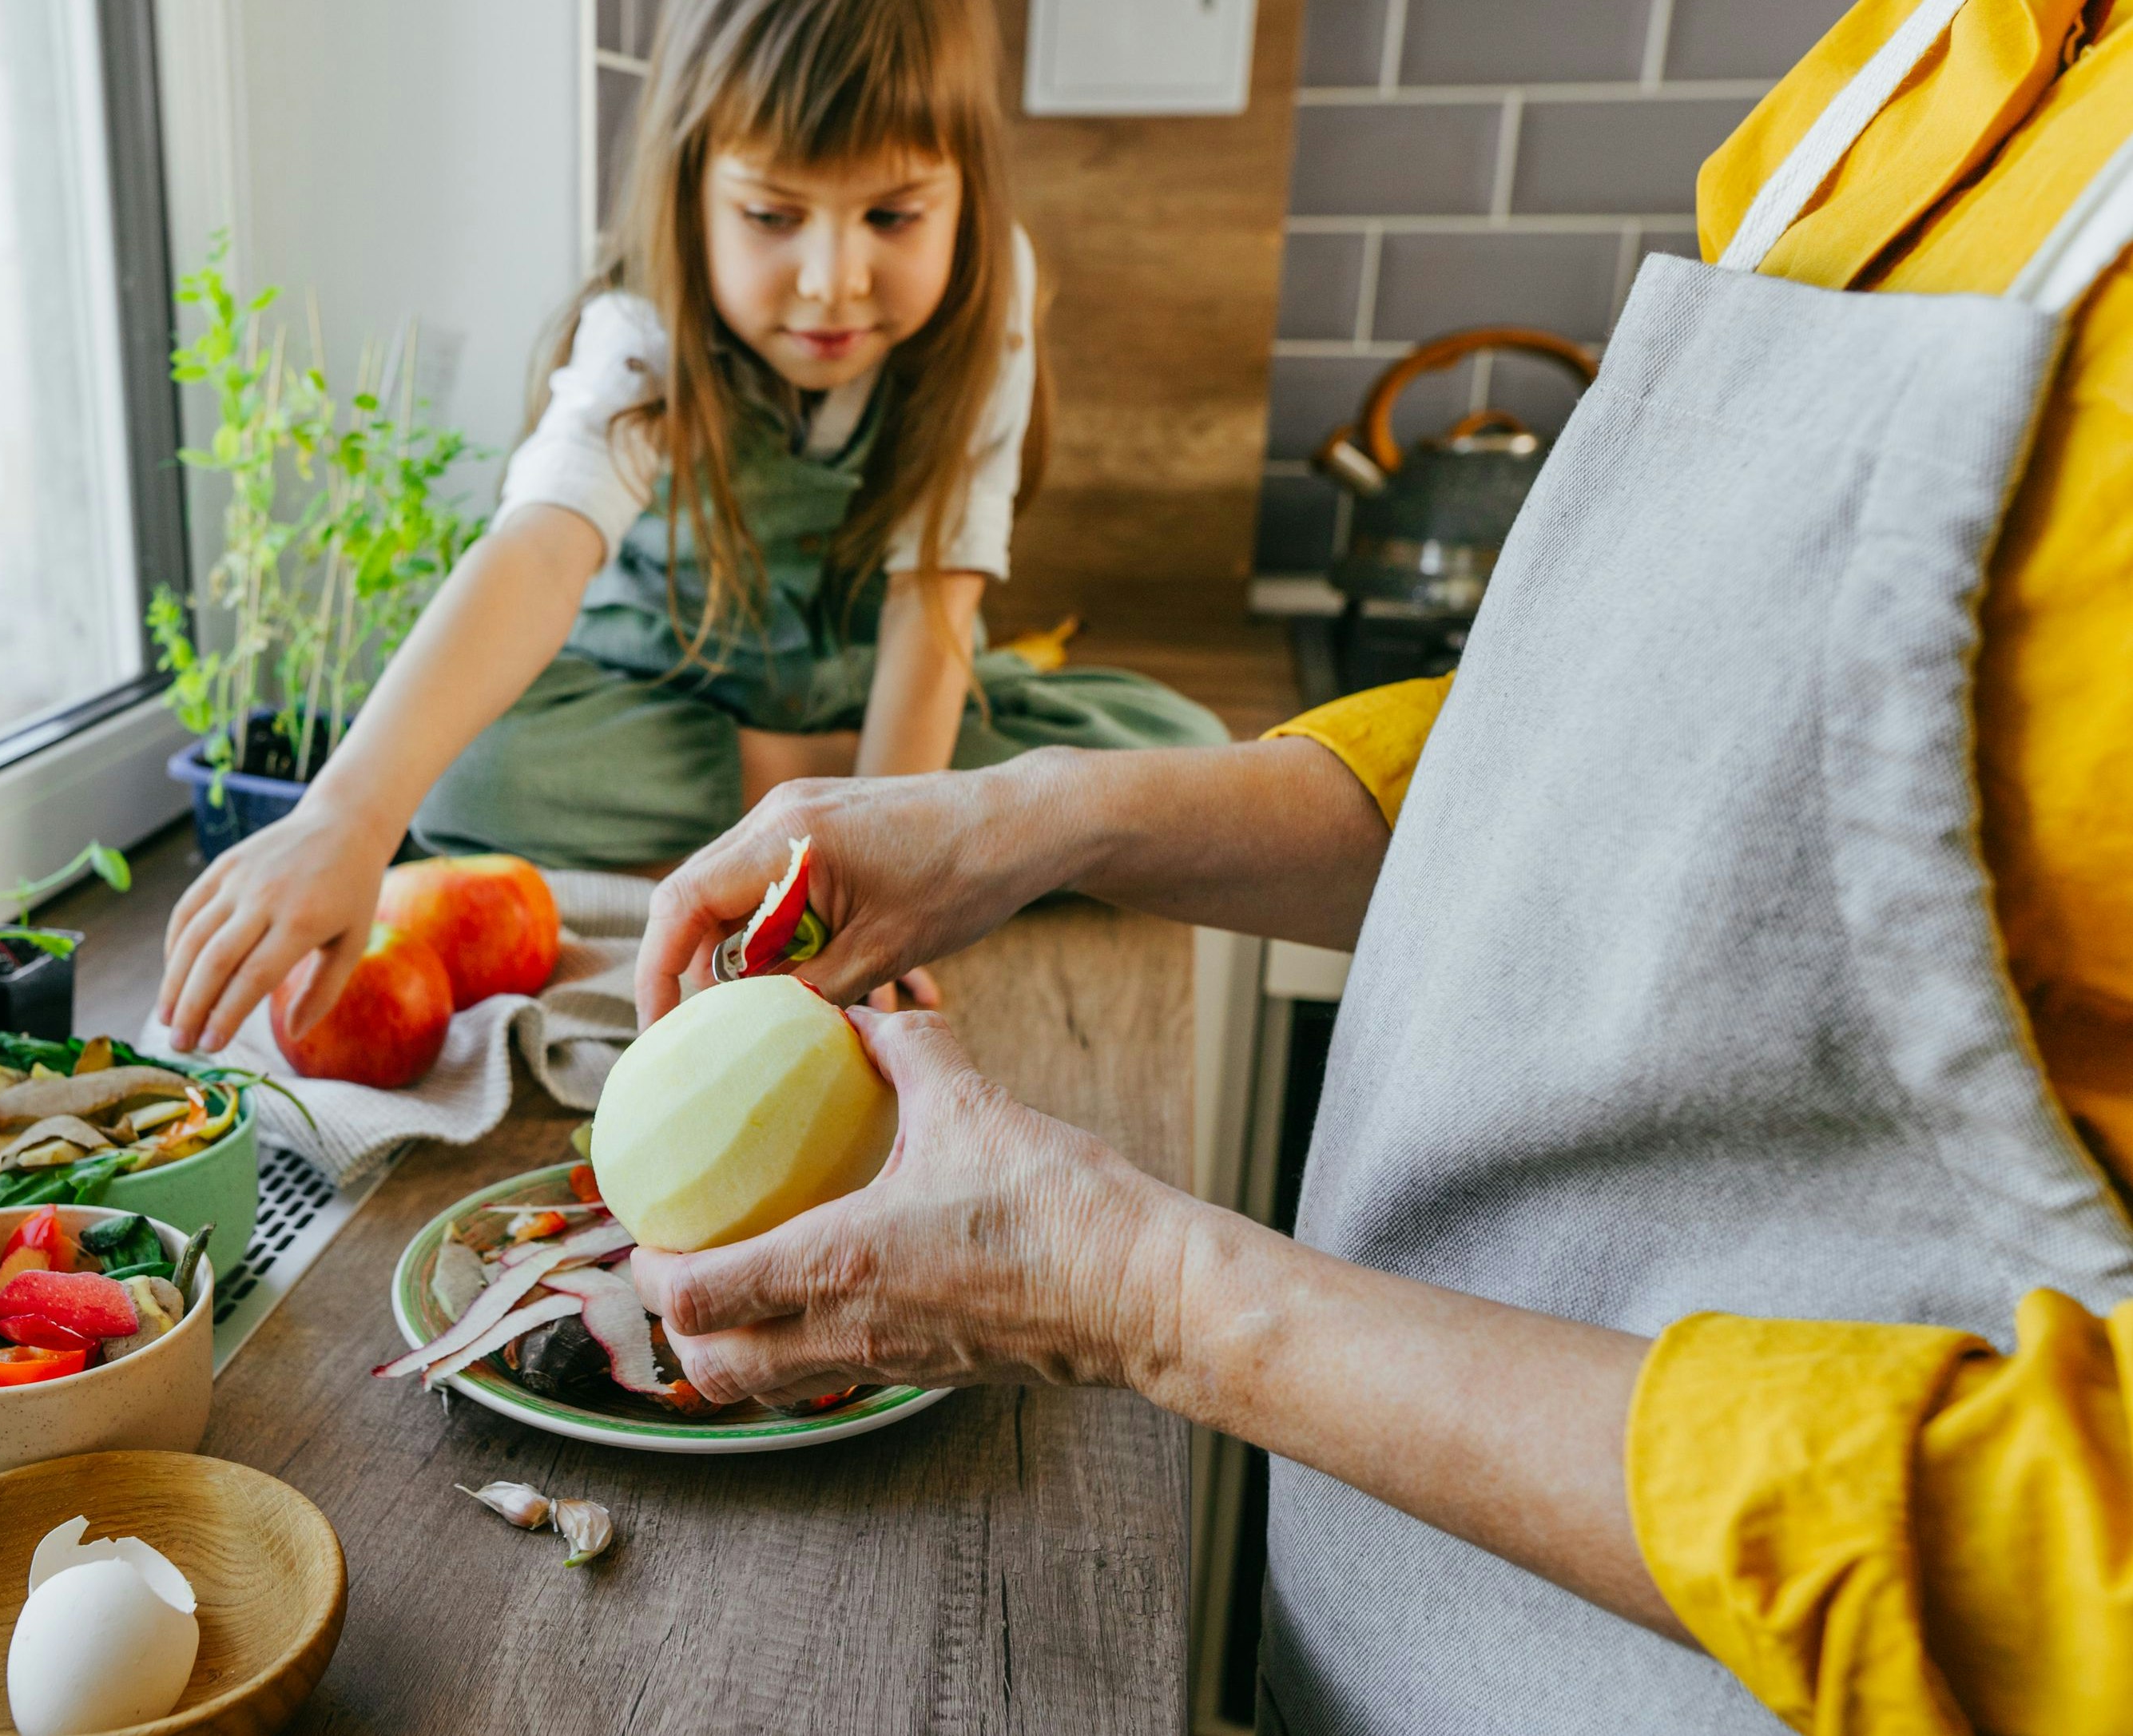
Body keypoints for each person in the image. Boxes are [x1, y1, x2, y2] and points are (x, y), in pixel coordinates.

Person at [628, 2, 2133, 1730]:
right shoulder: (1914, 61)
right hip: (1395, 1637)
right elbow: (1622, 773)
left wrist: (1150, 1297)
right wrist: (1028, 816)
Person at [156, 0, 1221, 1056]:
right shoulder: (645, 323)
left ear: (968, 204)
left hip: (879, 691)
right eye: (772, 216)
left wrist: (896, 863)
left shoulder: (998, 299)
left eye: (892, 218)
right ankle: (812, 785)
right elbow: (538, 549)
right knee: (467, 770)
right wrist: (348, 812)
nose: (832, 280)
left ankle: (832, 792)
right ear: (691, 197)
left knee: (1183, 761)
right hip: (658, 694)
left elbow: (933, 607)